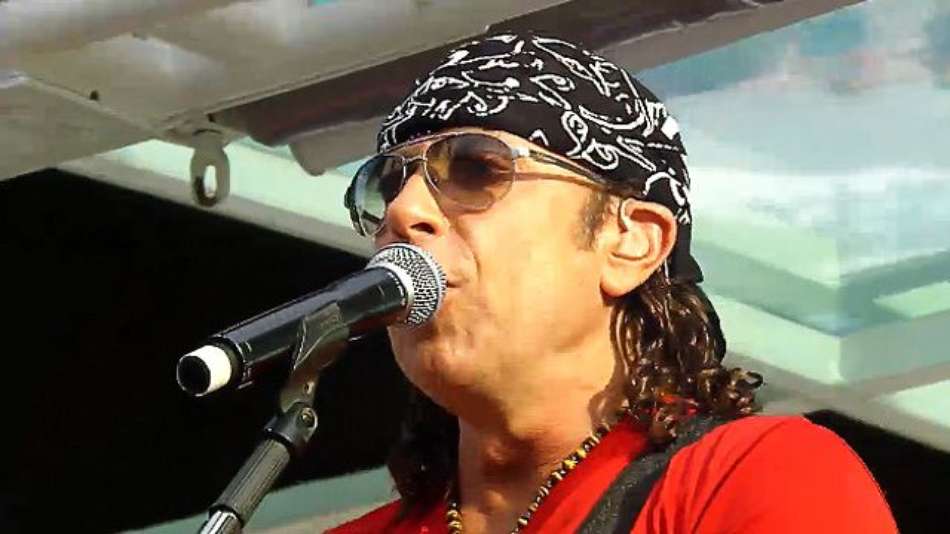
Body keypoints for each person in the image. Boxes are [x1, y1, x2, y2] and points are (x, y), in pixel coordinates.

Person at [329, 32, 897, 534]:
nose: (403, 211)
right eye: (387, 184)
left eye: (476, 168)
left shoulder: (759, 476)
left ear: (632, 242)